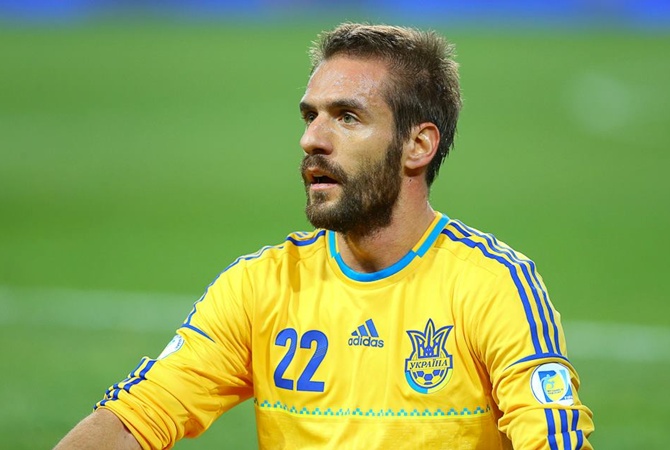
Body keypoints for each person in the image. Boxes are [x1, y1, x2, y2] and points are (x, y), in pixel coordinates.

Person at [55, 23, 594, 449]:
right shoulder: (263, 287)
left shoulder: (492, 286)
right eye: (310, 116)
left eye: (348, 117)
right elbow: (136, 417)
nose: (312, 139)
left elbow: (552, 438)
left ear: (418, 146)